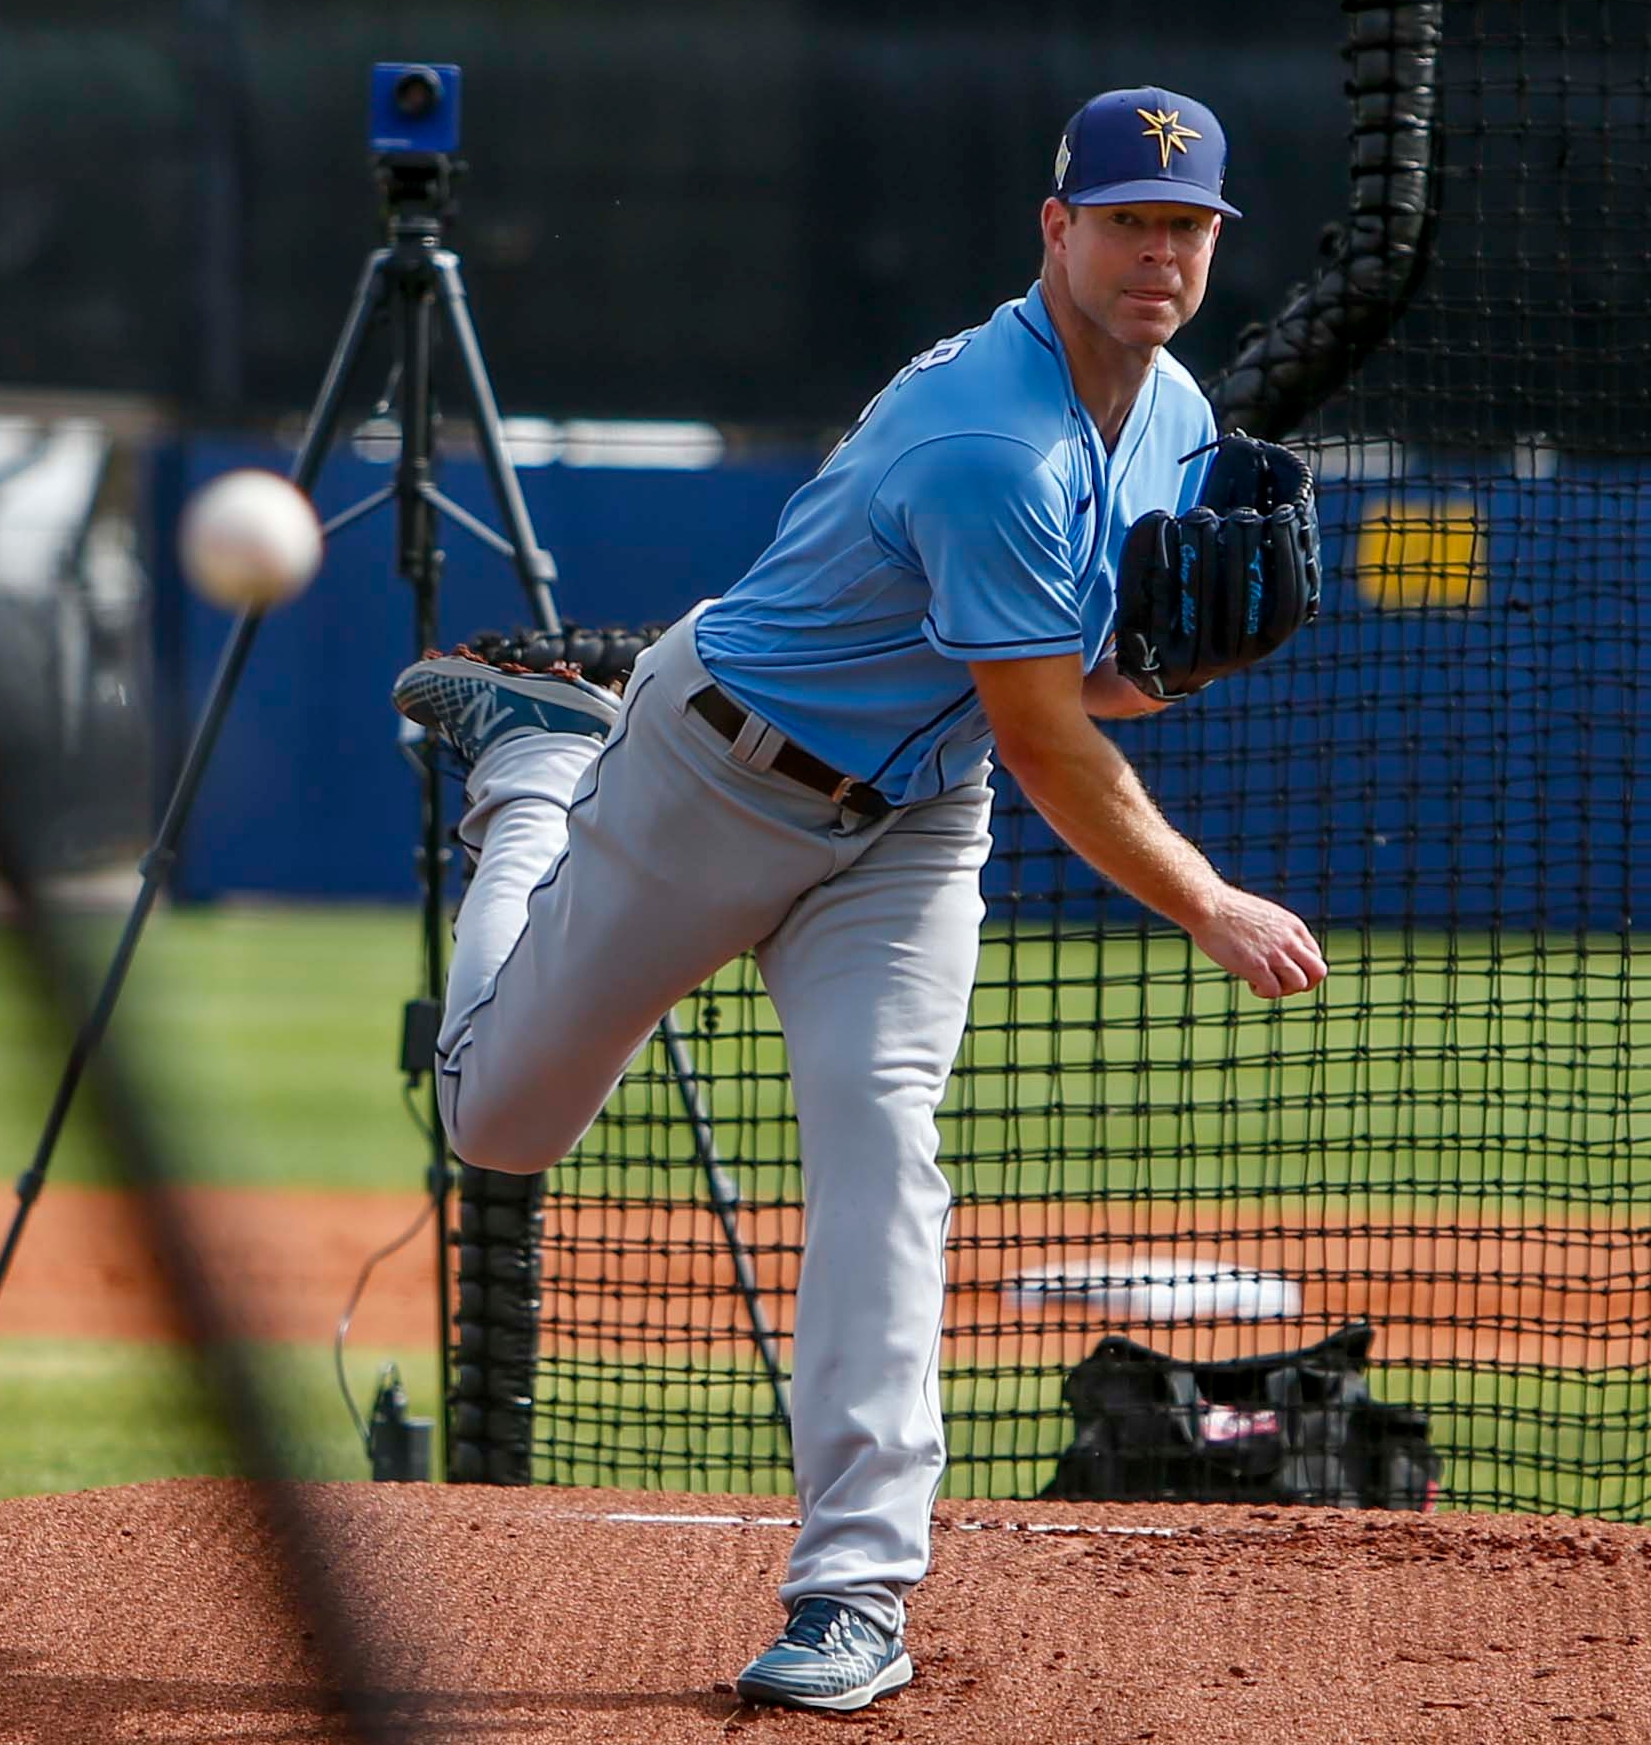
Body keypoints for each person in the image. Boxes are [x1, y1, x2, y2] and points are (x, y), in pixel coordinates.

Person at [390, 87, 1325, 1714]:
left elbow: (1084, 691)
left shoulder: (1169, 415)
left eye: (1186, 227)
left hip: (906, 830)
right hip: (708, 780)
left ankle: (852, 1595)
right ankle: (536, 766)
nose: (1158, 252)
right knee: (501, 1132)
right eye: (1127, 220)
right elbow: (1049, 743)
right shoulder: (990, 443)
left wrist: (1172, 667)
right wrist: (1207, 901)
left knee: (883, 1147)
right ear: (1057, 230)